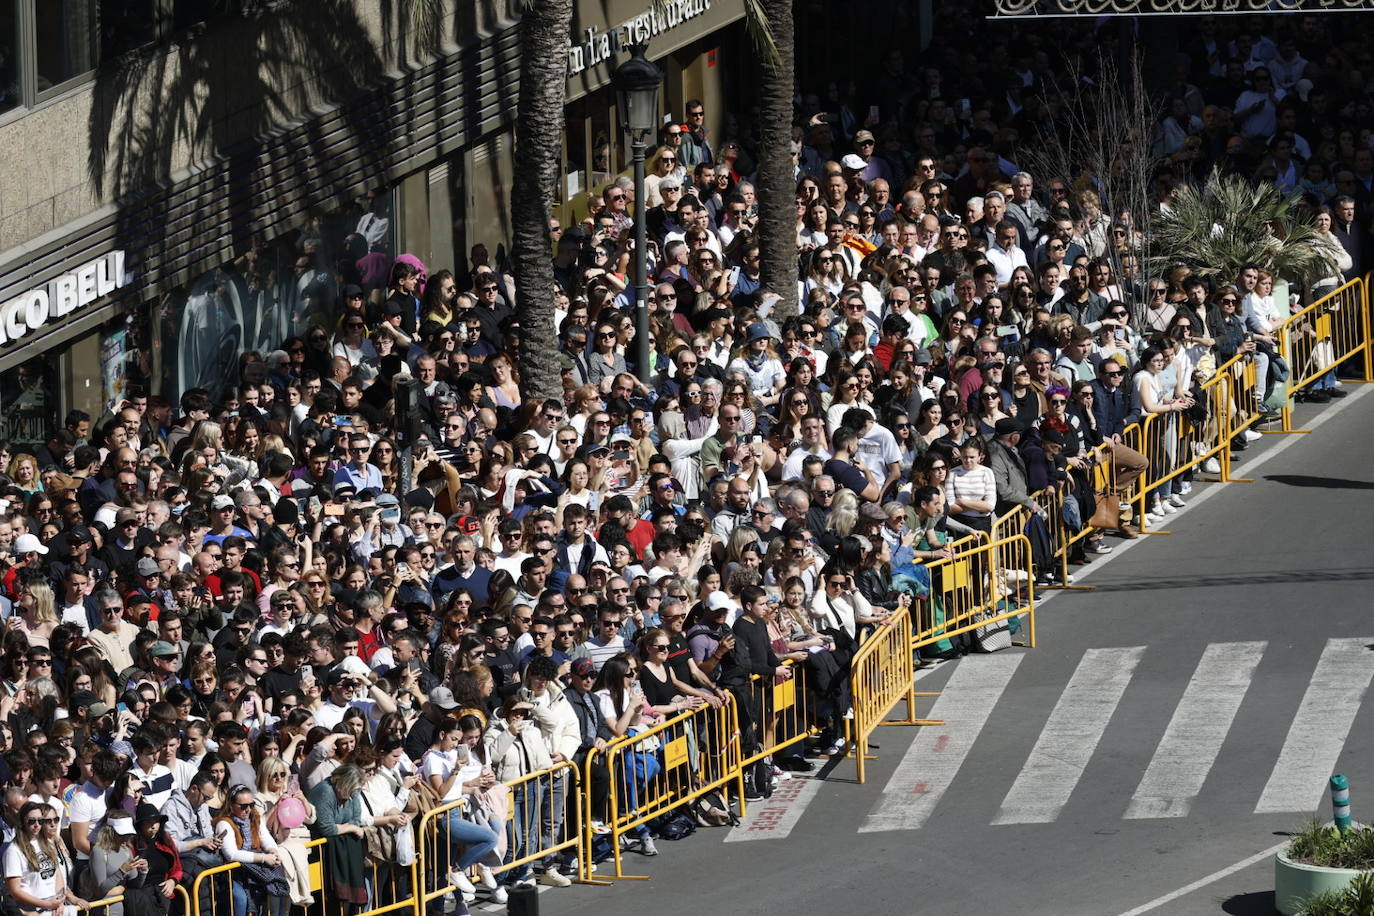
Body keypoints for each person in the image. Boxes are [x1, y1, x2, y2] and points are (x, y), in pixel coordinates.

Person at [214, 786, 289, 916]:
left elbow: (266, 838)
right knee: (241, 900)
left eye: (251, 804)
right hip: (233, 873)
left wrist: (273, 851)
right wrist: (263, 858)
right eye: (243, 806)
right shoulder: (224, 823)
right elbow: (231, 854)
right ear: (231, 805)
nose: (248, 809)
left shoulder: (254, 817)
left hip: (255, 870)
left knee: (277, 889)